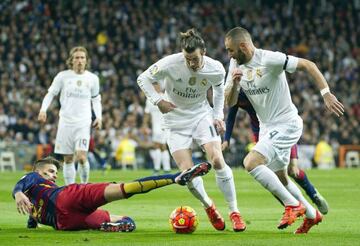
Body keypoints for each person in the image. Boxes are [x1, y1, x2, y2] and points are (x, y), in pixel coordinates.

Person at [224, 27, 344, 233]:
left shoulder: (269, 59)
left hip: (287, 124)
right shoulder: (235, 64)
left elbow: (308, 65)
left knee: (250, 163)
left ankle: (292, 205)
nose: (229, 55)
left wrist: (326, 93)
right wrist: (235, 84)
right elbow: (230, 102)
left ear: (243, 46)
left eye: (231, 50)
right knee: (282, 177)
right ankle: (311, 215)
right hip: (267, 128)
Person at [137, 28, 246, 232]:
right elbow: (142, 78)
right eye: (187, 59)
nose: (191, 63)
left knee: (217, 159)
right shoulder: (170, 63)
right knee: (188, 173)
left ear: (203, 52)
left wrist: (218, 116)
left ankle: (235, 212)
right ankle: (209, 206)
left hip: (200, 115)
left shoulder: (215, 68)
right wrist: (158, 100)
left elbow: (219, 91)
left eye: (194, 59)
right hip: (174, 122)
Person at [13, 156, 211, 231]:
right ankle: (175, 177)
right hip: (66, 197)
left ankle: (111, 224)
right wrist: (18, 194)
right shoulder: (32, 179)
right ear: (38, 171)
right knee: (123, 189)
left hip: (65, 223)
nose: (53, 176)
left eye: (55, 173)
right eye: (50, 172)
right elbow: (22, 184)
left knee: (127, 221)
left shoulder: (34, 199)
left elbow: (32, 215)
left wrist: (31, 222)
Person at [222, 89, 329, 214]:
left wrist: (294, 160)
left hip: (279, 128)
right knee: (271, 177)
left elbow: (287, 121)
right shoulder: (235, 97)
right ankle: (293, 208)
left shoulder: (255, 91)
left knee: (292, 171)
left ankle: (313, 194)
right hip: (261, 133)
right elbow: (230, 117)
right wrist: (226, 140)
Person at [38, 46, 102, 185]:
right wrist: (43, 110)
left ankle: (84, 186)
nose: (79, 60)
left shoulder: (92, 78)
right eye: (77, 58)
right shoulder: (63, 76)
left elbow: (96, 99)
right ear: (71, 60)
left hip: (83, 123)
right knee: (67, 159)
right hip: (65, 122)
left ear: (86, 60)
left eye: (82, 58)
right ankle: (70, 190)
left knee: (81, 156)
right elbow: (51, 94)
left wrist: (99, 117)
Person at [143, 83, 171, 174]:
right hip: (155, 126)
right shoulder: (149, 99)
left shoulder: (165, 97)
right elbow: (147, 113)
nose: (155, 87)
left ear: (160, 87)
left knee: (161, 146)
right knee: (158, 146)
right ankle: (163, 169)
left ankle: (161, 169)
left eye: (157, 85)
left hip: (164, 125)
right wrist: (144, 125)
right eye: (154, 86)